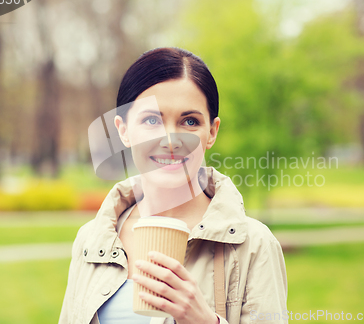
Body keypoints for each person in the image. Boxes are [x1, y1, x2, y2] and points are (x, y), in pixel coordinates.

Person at [58, 47, 288, 324]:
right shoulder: (92, 240)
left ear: (211, 132)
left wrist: (204, 321)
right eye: (151, 120)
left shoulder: (253, 245)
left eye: (189, 121)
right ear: (123, 130)